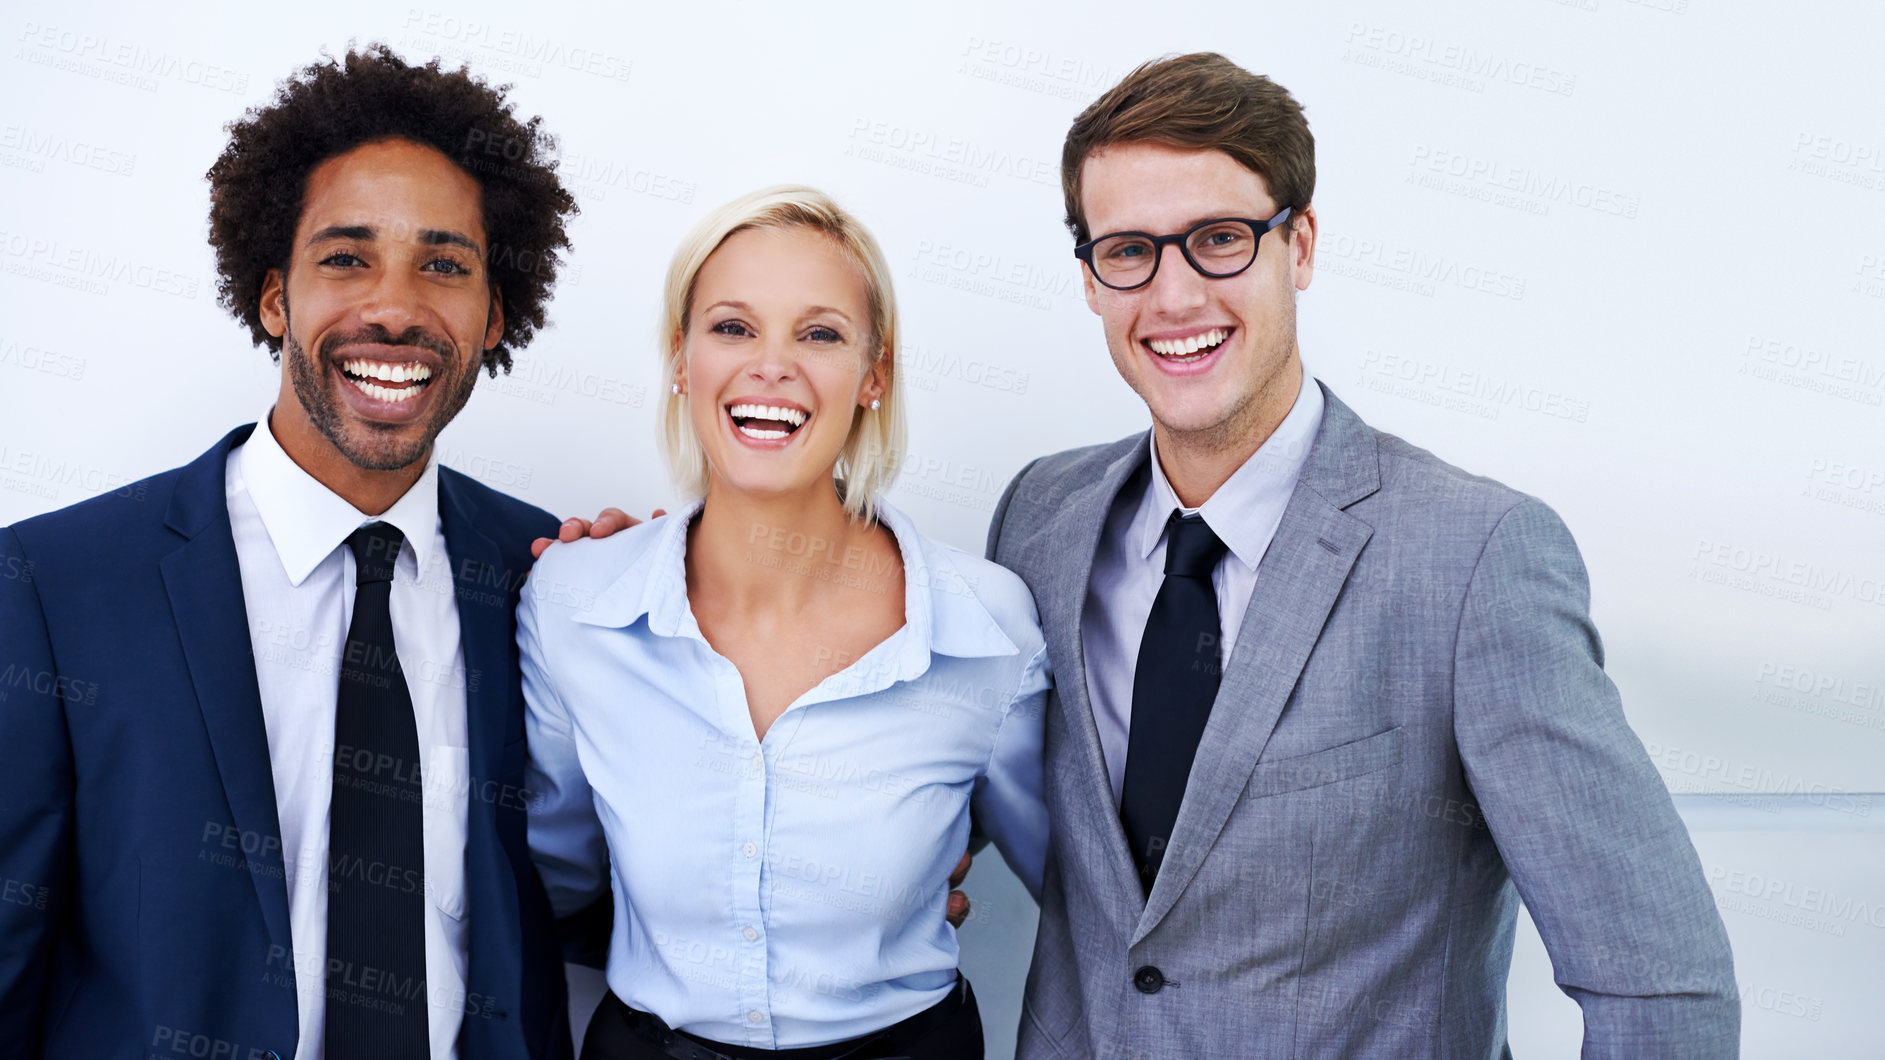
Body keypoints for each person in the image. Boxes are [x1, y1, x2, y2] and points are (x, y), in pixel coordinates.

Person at [984, 53, 1740, 1058]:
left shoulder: (1474, 560)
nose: (1172, 296)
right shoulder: (1040, 518)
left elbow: (1662, 989)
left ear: (1297, 243)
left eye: (1217, 239)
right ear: (1089, 277)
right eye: (1129, 250)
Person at [0, 45, 583, 1059]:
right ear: (274, 297)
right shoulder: (56, 588)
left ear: (495, 313)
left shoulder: (555, 579)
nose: (396, 308)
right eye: (346, 257)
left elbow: (618, 891)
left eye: (443, 264)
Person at [519, 186, 1049, 1060]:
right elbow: (553, 876)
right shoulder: (576, 603)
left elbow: (1078, 885)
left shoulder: (984, 625)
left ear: (874, 375)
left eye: (820, 334)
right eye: (732, 327)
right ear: (680, 357)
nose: (772, 366)